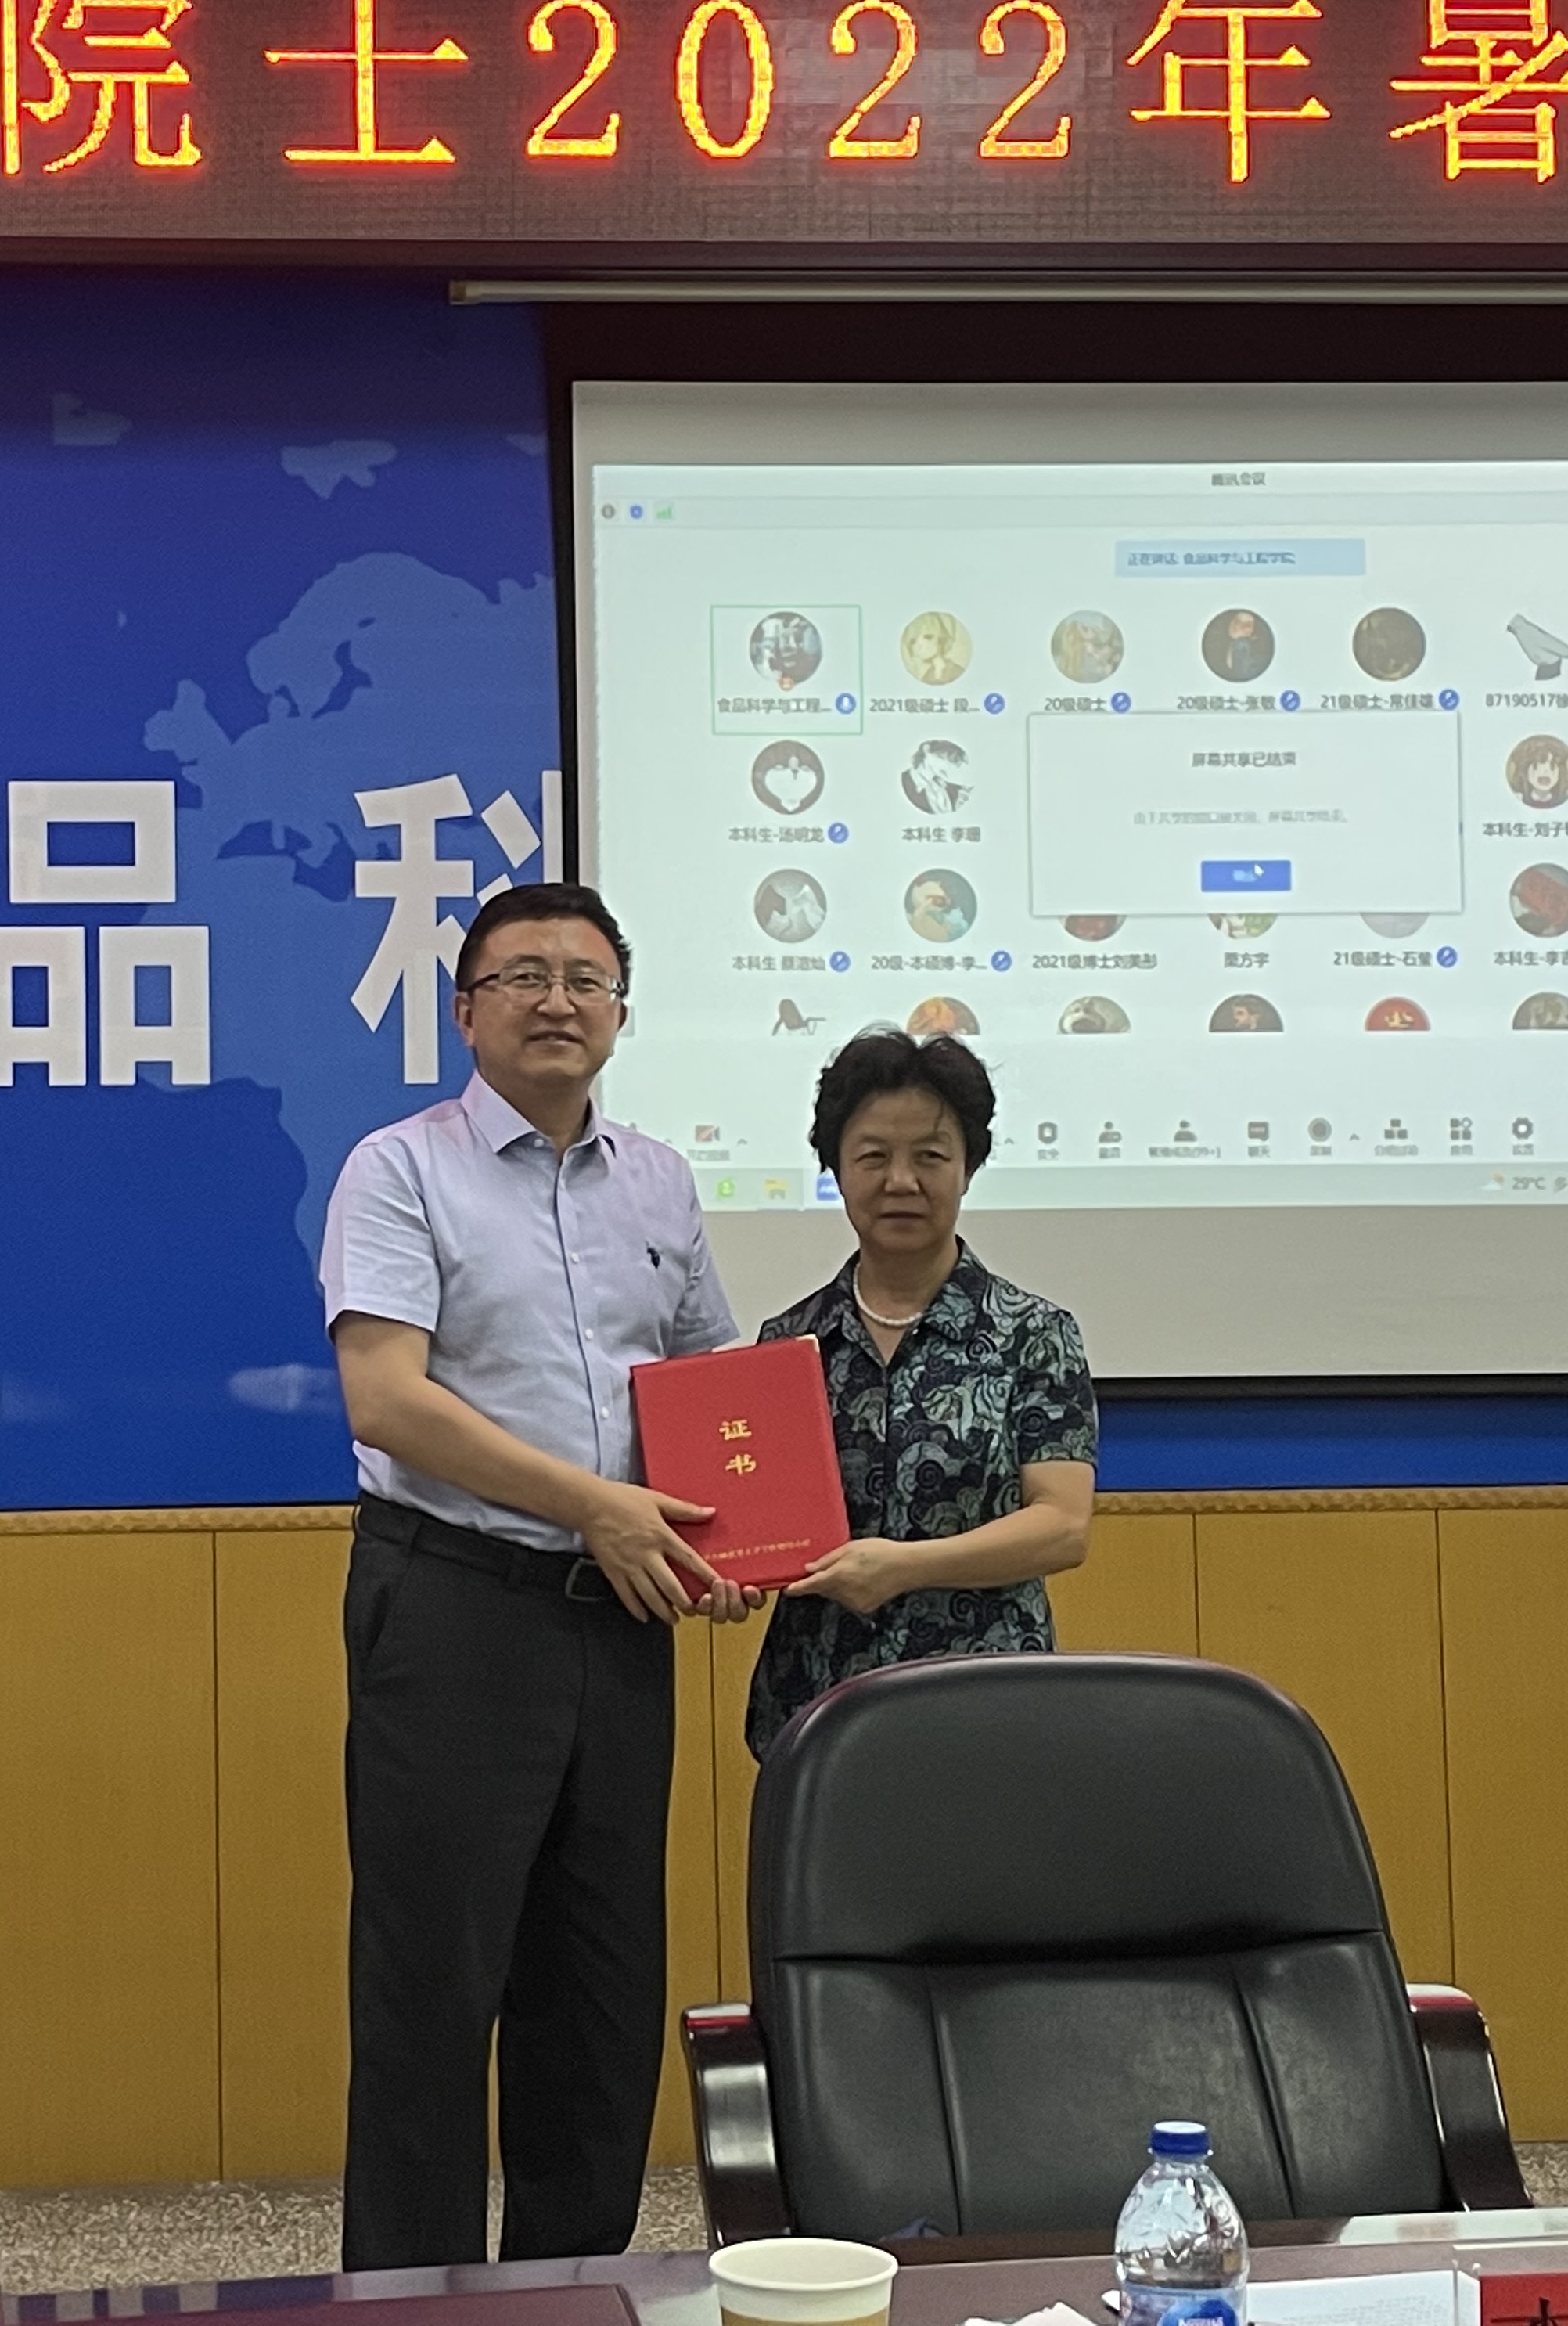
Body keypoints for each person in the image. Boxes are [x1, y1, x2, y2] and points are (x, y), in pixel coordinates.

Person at [320, 880, 752, 2270]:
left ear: (621, 1011)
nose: (557, 999)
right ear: (465, 1011)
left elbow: (707, 1382)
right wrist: (598, 1508)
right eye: (522, 976)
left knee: (601, 1997)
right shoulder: (400, 1168)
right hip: (453, 1605)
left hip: (617, 1620)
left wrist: (733, 1541)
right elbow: (387, 1398)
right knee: (432, 1993)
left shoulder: (659, 1180)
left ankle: (574, 2289)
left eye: (585, 977)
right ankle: (414, 2301)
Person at [744, 1030, 1095, 1758]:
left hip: (988, 1704)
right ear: (836, 1169)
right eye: (873, 1156)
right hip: (818, 1705)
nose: (900, 1181)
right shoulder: (789, 1343)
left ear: (968, 1167)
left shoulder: (1034, 1333)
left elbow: (1061, 1527)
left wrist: (903, 1568)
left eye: (930, 1157)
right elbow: (763, 1524)